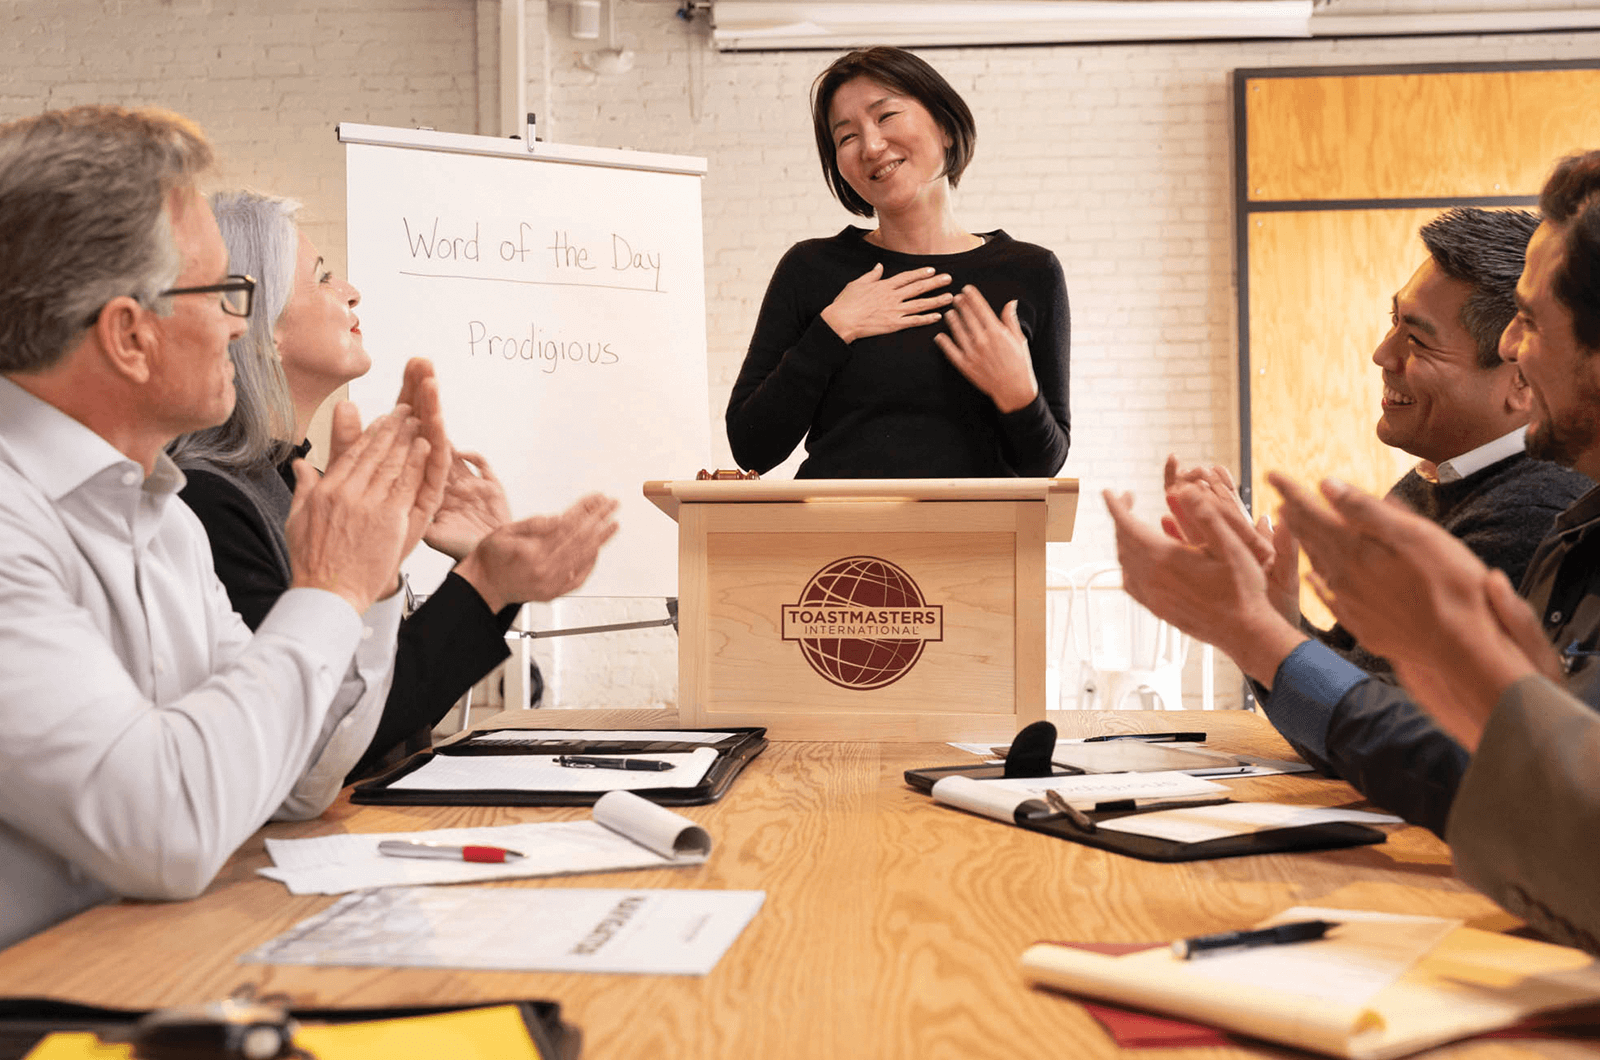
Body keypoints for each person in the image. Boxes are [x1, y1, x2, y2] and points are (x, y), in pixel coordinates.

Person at [0, 106, 447, 949]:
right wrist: (330, 591)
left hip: (145, 975)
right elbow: (165, 827)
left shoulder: (161, 516)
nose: (241, 325)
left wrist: (368, 576)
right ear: (129, 335)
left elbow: (300, 781)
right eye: (224, 292)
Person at [1106, 204, 1590, 835]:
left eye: (1417, 339)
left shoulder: (1538, 505)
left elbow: (1409, 747)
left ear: (1517, 382)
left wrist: (1255, 630)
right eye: (1394, 322)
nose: (1380, 353)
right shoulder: (1434, 484)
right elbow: (1367, 709)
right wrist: (1272, 619)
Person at [1261, 151, 1600, 952]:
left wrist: (1258, 629)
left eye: (1533, 321)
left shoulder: (1539, 507)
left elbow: (1544, 803)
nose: (1517, 347)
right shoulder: (1578, 525)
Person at [169, 191, 621, 780]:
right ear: (260, 325)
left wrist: (492, 570)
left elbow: (375, 691)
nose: (351, 290)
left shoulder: (298, 482)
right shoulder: (207, 503)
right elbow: (334, 732)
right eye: (323, 277)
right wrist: (485, 583)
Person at [725, 46, 1070, 478]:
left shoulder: (1031, 271)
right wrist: (834, 329)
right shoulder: (810, 268)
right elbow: (751, 447)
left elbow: (1045, 465)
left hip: (979, 540)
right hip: (833, 541)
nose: (870, 145)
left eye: (886, 116)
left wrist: (1018, 393)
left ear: (945, 125)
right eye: (846, 136)